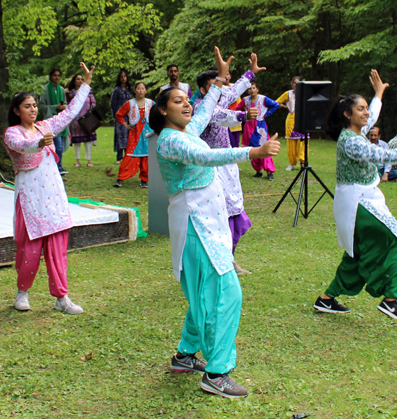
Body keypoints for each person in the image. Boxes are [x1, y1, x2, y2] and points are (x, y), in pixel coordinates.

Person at [149, 47, 280, 399]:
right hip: (195, 224)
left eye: (186, 99)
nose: (187, 103)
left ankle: (185, 356)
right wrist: (252, 152)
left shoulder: (187, 127)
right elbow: (205, 157)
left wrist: (233, 79)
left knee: (203, 295)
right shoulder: (171, 140)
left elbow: (207, 107)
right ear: (163, 110)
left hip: (206, 220)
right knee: (226, 293)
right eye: (178, 101)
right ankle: (216, 373)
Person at [313, 69, 397, 323]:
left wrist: (378, 94)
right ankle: (391, 300)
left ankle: (327, 299)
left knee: (357, 254)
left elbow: (373, 115)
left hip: (362, 198)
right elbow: (384, 157)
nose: (365, 113)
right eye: (360, 109)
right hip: (357, 202)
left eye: (365, 108)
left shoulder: (357, 133)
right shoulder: (352, 141)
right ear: (347, 114)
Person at [3, 62, 95, 314]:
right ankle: (22, 293)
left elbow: (70, 113)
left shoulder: (46, 126)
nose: (32, 109)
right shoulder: (13, 133)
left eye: (34, 105)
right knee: (29, 251)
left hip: (53, 197)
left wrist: (85, 84)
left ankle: (61, 299)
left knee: (57, 251)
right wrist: (38, 143)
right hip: (30, 199)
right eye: (27, 106)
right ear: (16, 111)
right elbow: (22, 146)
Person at [192, 59, 263, 275]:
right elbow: (218, 117)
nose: (221, 89)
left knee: (234, 213)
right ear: (204, 89)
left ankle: (229, 259)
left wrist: (250, 73)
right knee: (219, 216)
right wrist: (241, 115)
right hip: (211, 169)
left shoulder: (219, 99)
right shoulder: (198, 108)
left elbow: (235, 91)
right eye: (216, 85)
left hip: (227, 168)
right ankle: (218, 262)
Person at [113, 82, 154, 188]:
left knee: (147, 157)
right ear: (134, 91)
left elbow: (158, 114)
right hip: (134, 135)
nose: (140, 90)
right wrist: (125, 125)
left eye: (142, 88)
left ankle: (144, 180)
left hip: (147, 134)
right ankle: (120, 179)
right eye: (138, 89)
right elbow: (119, 114)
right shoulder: (129, 103)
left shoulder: (151, 103)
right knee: (130, 156)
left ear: (146, 91)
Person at [236, 82, 280, 180]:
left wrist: (266, 114)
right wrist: (244, 115)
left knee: (264, 146)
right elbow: (237, 108)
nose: (251, 90)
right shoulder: (245, 100)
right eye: (249, 89)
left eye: (253, 88)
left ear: (257, 89)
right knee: (252, 148)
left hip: (260, 126)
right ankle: (258, 170)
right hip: (249, 126)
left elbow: (276, 105)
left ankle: (269, 171)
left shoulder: (263, 99)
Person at [39, 67, 69, 175]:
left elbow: (65, 103)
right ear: (50, 76)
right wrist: (54, 107)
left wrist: (63, 107)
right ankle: (55, 166)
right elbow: (41, 106)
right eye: (54, 75)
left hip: (60, 121)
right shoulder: (45, 89)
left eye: (58, 75)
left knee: (60, 145)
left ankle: (59, 166)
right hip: (50, 121)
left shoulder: (61, 89)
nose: (56, 77)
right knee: (54, 145)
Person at [276, 76, 307, 171]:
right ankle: (291, 163)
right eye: (294, 82)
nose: (296, 85)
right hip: (291, 119)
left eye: (298, 83)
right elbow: (276, 102)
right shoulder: (288, 94)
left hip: (302, 118)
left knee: (302, 141)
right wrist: (285, 107)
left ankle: (303, 162)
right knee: (291, 141)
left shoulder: (305, 93)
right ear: (292, 83)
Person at [66, 73, 97, 168]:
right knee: (77, 141)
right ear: (74, 81)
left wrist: (92, 106)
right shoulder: (71, 92)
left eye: (81, 79)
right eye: (78, 79)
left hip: (87, 118)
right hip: (76, 120)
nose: (80, 81)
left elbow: (93, 101)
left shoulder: (88, 90)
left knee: (88, 141)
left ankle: (89, 160)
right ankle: (78, 161)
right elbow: (68, 104)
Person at [111, 70, 132, 164]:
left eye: (125, 76)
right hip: (120, 116)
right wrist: (115, 115)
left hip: (128, 115)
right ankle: (119, 157)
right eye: (121, 77)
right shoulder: (117, 90)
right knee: (119, 135)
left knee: (127, 135)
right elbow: (113, 103)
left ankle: (127, 156)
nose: (123, 78)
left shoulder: (128, 89)